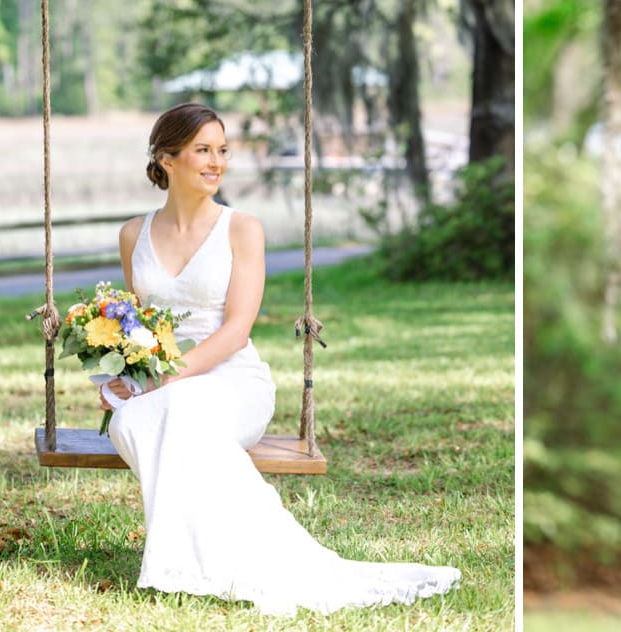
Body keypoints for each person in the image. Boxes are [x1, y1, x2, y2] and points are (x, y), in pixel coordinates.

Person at [99, 102, 460, 616]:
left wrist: (162, 381)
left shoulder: (242, 229)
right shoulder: (133, 235)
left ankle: (192, 565)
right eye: (202, 150)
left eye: (223, 150)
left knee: (178, 412)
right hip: (163, 386)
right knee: (135, 419)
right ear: (167, 158)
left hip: (231, 381)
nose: (216, 162)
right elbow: (137, 331)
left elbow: (235, 331)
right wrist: (124, 379)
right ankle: (191, 560)